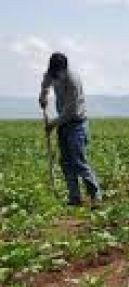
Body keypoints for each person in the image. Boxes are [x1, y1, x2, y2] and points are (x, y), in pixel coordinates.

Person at [39, 52, 102, 207]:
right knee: (66, 161)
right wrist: (43, 95)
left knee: (78, 160)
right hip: (63, 124)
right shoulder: (51, 74)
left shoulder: (73, 80)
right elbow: (45, 83)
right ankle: (74, 197)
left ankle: (95, 194)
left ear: (64, 69)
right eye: (53, 72)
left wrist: (53, 123)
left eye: (58, 72)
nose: (56, 76)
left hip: (76, 123)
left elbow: (71, 110)